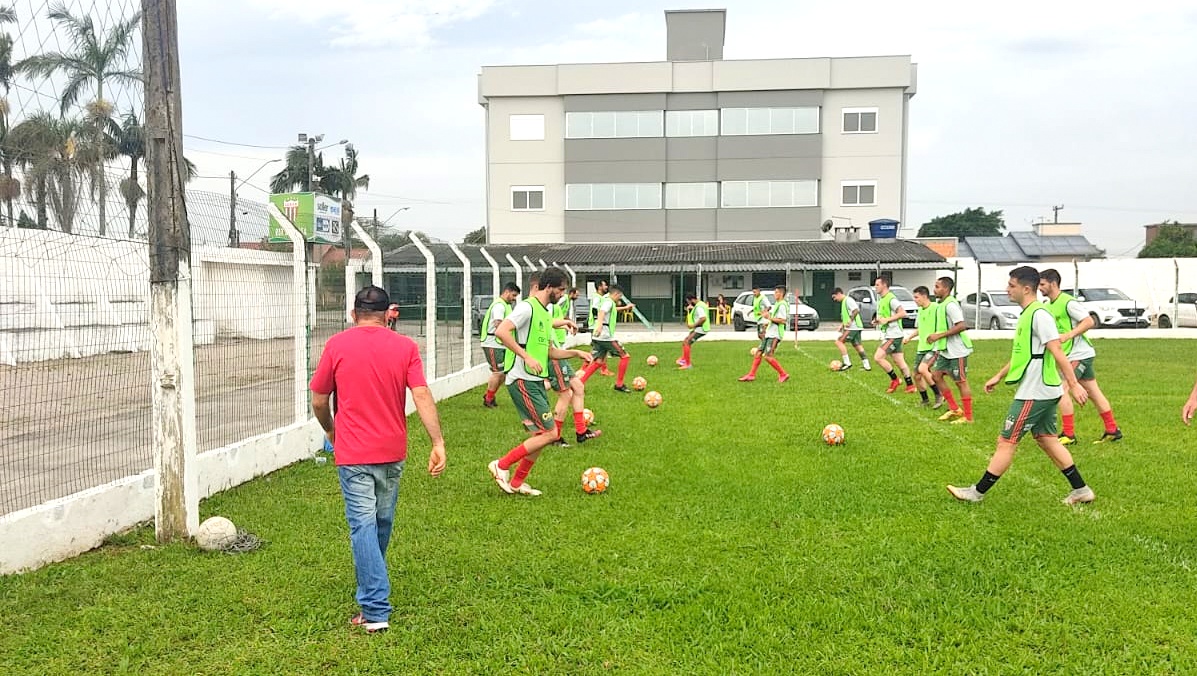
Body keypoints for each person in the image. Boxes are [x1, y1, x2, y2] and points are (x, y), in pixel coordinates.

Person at [309, 285, 447, 634]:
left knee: (365, 526)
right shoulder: (405, 347)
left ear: (353, 314)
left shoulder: (337, 345)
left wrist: (330, 431)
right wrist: (437, 442)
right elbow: (421, 393)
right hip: (391, 450)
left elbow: (319, 400)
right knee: (379, 523)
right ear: (389, 315)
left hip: (353, 452)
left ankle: (374, 608)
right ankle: (373, 592)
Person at [947, 266, 1094, 505]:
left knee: (1006, 441)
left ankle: (977, 492)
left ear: (1026, 288)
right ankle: (1081, 490)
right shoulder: (1028, 314)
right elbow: (1023, 354)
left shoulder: (1039, 314)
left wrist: (1074, 384)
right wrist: (998, 375)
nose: (1007, 290)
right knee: (1047, 439)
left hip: (1036, 391)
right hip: (1043, 389)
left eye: (1011, 285)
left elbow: (1056, 349)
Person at [488, 267, 594, 497]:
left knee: (542, 436)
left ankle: (517, 482)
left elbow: (549, 352)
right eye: (561, 290)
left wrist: (576, 354)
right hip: (522, 379)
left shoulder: (544, 313)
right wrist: (526, 356)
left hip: (534, 380)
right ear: (549, 287)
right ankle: (502, 465)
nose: (563, 295)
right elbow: (502, 332)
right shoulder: (526, 307)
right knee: (550, 434)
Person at [1039, 269, 1123, 444]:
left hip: (1078, 354)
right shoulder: (1048, 305)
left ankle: (1068, 435)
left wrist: (1068, 335)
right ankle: (1112, 430)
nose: (1039, 288)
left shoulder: (1068, 302)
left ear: (1053, 284)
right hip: (1070, 354)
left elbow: (1089, 321)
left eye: (1042, 284)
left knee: (1061, 390)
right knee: (1093, 392)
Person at [548, 285, 602, 445]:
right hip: (552, 355)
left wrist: (563, 323)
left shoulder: (547, 307)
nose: (563, 294)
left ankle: (581, 432)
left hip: (558, 351)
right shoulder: (541, 306)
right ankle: (555, 437)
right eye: (561, 290)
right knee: (566, 395)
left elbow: (548, 322)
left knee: (578, 387)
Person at [927, 276, 974, 422]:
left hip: (957, 350)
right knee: (936, 375)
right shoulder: (941, 304)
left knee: (961, 381)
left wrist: (939, 336)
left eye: (937, 286)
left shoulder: (951, 305)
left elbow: (961, 325)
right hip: (946, 349)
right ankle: (954, 409)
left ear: (946, 289)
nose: (934, 289)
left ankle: (968, 416)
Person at [579, 284, 634, 392]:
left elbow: (606, 310)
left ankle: (580, 383)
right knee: (625, 356)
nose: (619, 299)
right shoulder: (608, 301)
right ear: (616, 294)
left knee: (598, 361)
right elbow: (602, 312)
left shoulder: (605, 299)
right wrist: (599, 325)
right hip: (605, 336)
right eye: (620, 296)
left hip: (598, 336)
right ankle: (619, 384)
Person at [871, 276, 915, 394]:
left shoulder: (891, 299)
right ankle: (910, 385)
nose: (875, 287)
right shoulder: (882, 299)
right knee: (899, 361)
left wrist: (888, 320)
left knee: (878, 357)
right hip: (891, 334)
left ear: (884, 285)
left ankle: (895, 380)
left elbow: (903, 313)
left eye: (877, 285)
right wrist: (877, 321)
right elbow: (884, 317)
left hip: (893, 335)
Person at [480, 282, 520, 408]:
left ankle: (490, 395)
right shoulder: (499, 306)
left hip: (500, 343)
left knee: (503, 372)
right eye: (513, 295)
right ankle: (488, 399)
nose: (514, 299)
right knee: (497, 372)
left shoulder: (505, 305)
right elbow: (499, 325)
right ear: (506, 292)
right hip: (492, 343)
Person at [739, 285, 791, 383]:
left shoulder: (782, 305)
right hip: (769, 333)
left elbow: (783, 320)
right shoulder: (778, 304)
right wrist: (768, 322)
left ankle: (783, 374)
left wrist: (769, 318)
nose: (774, 294)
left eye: (776, 292)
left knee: (768, 356)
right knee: (758, 353)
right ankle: (751, 375)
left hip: (775, 335)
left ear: (780, 293)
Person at [905, 286, 943, 407]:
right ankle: (925, 400)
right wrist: (909, 337)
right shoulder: (921, 310)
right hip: (922, 347)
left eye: (916, 297)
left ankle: (939, 395)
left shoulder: (936, 308)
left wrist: (937, 336)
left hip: (934, 347)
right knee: (916, 375)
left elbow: (943, 326)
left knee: (923, 369)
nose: (915, 300)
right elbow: (920, 329)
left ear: (924, 296)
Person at [832, 287, 870, 371]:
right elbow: (847, 315)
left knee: (839, 341)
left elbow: (856, 310)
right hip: (855, 327)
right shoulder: (844, 302)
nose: (835, 299)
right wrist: (842, 325)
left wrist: (850, 321)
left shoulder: (848, 300)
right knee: (857, 346)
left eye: (834, 297)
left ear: (839, 294)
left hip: (853, 327)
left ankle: (847, 363)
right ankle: (867, 365)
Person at [588, 279, 615, 377]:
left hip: (597, 325)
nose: (606, 287)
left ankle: (604, 369)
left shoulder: (601, 297)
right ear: (599, 287)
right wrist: (598, 324)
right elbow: (595, 310)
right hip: (596, 326)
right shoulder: (597, 297)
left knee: (601, 349)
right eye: (604, 285)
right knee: (597, 350)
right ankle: (584, 369)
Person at [676, 293, 709, 369]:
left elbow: (703, 318)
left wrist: (693, 325)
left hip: (701, 329)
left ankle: (687, 364)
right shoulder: (701, 304)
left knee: (687, 342)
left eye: (688, 302)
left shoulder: (699, 307)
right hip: (699, 328)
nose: (689, 304)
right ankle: (684, 360)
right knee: (685, 341)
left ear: (691, 300)